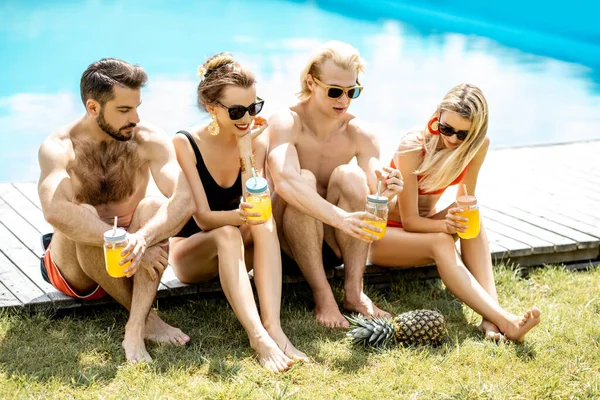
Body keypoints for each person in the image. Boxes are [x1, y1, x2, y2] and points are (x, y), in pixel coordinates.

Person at [38, 58, 195, 363]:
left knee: (153, 208)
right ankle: (149, 319)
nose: (135, 118)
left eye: (137, 107)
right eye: (124, 110)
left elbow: (184, 199)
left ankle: (136, 326)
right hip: (75, 267)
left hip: (132, 261)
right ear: (93, 107)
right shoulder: (61, 146)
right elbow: (54, 211)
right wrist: (126, 242)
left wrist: (143, 238)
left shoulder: (146, 139)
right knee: (83, 212)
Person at [369, 83, 541, 342]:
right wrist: (444, 226)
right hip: (387, 236)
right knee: (442, 238)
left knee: (471, 214)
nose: (451, 139)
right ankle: (506, 320)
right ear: (437, 115)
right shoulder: (413, 147)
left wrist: (459, 216)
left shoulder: (477, 146)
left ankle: (491, 319)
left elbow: (465, 199)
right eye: (446, 128)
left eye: (462, 135)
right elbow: (410, 220)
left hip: (423, 230)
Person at [169, 53, 308, 373]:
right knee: (230, 231)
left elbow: (255, 204)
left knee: (264, 222)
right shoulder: (187, 143)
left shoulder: (255, 139)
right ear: (211, 107)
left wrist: (246, 150)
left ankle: (274, 328)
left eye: (253, 107)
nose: (247, 117)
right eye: (236, 111)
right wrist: (238, 217)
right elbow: (203, 218)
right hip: (193, 255)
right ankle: (257, 336)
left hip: (235, 243)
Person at [267, 41, 404, 328]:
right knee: (303, 180)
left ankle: (354, 293)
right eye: (334, 91)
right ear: (311, 82)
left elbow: (376, 199)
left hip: (335, 243)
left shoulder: (360, 133)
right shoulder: (286, 121)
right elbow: (285, 181)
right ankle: (323, 296)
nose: (344, 100)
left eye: (352, 91)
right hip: (285, 244)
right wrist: (340, 218)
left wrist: (387, 191)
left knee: (351, 176)